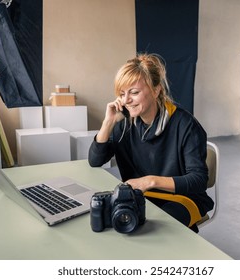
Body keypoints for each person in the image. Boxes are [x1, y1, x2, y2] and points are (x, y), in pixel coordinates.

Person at [88, 53, 214, 233]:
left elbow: (198, 181)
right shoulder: (124, 124)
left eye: (134, 92)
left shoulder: (186, 125)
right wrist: (108, 122)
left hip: (182, 198)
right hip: (140, 196)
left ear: (156, 90)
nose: (126, 101)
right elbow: (95, 160)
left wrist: (150, 181)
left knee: (152, 233)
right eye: (122, 94)